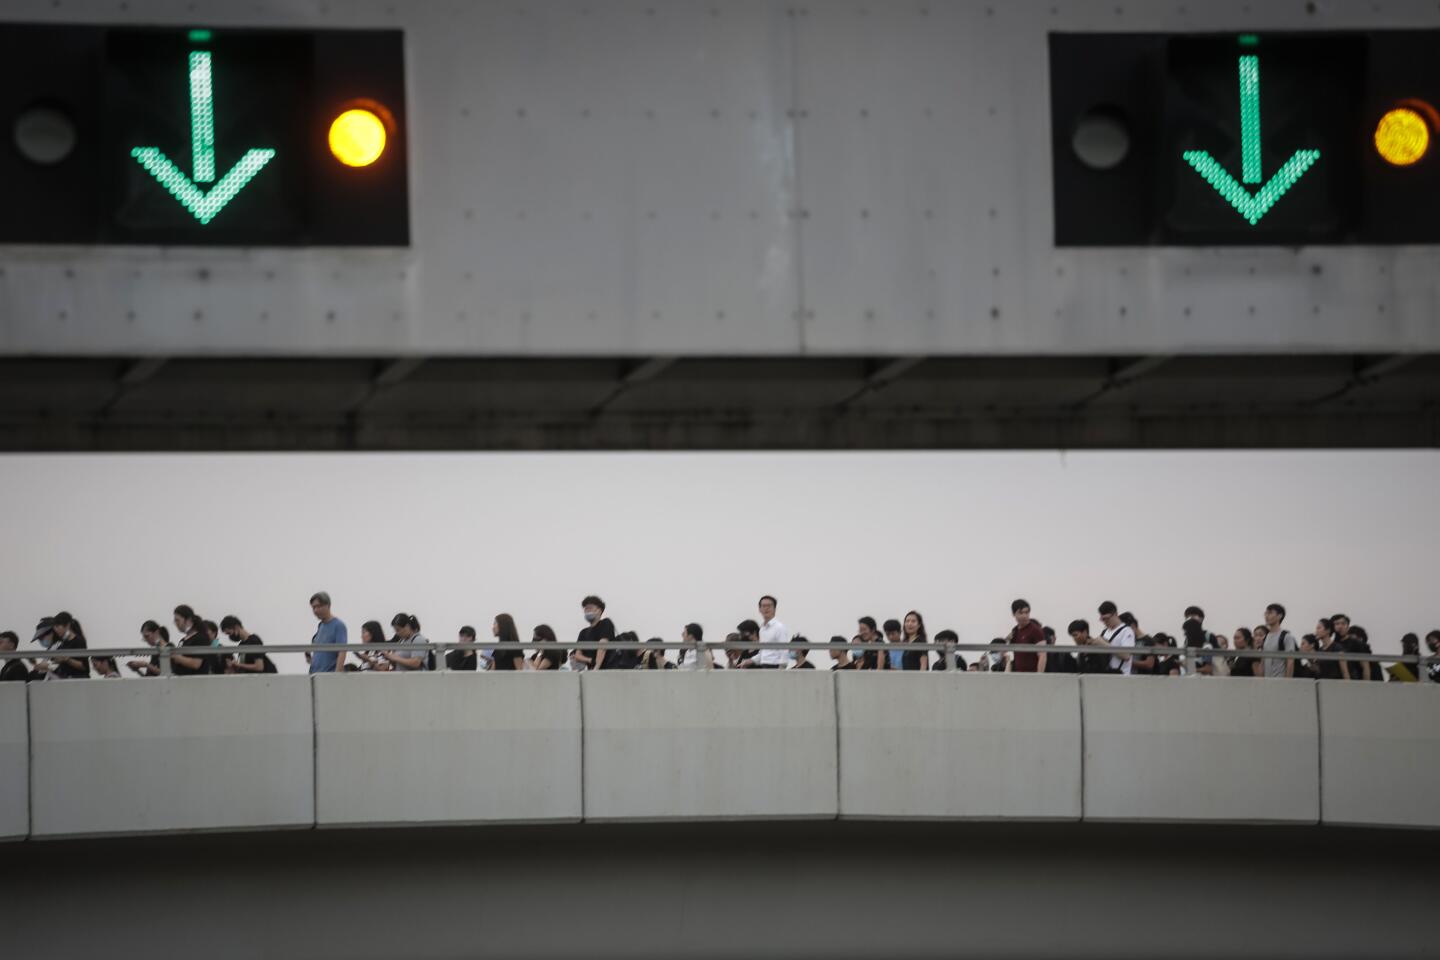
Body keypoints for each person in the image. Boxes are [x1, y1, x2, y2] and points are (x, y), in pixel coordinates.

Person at [33, 612, 91, 679]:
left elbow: (84, 667)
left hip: (77, 681)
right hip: (64, 681)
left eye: (57, 626)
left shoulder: (79, 641)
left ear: (67, 625)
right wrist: (47, 665)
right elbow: (57, 664)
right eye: (54, 627)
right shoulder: (63, 643)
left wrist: (67, 659)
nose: (56, 630)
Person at [571, 595, 615, 671]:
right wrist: (590, 660)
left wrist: (596, 668)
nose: (587, 611)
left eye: (590, 608)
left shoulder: (606, 623)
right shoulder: (583, 632)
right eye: (585, 609)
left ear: (599, 610)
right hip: (590, 670)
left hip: (607, 669)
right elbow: (577, 655)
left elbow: (602, 647)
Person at [308, 591, 348, 673]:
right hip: (316, 675)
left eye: (318, 606)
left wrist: (336, 675)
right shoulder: (320, 626)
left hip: (328, 676)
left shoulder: (338, 625)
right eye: (313, 607)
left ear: (327, 605)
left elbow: (342, 651)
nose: (315, 610)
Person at [1092, 602, 1136, 675]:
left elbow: (1127, 655)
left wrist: (1104, 644)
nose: (1104, 622)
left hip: (1121, 675)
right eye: (1102, 619)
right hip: (1106, 674)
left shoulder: (1126, 631)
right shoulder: (1105, 631)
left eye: (1106, 618)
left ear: (1115, 614)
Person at [1006, 599, 1045, 673]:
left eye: (1027, 612)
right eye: (1020, 613)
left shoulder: (1035, 630)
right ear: (1014, 614)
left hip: (1032, 674)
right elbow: (1007, 650)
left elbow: (1042, 656)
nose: (1024, 616)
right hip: (1018, 674)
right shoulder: (1015, 630)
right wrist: (1007, 640)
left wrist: (1039, 677)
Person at [752, 595, 791, 669]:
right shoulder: (762, 629)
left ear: (774, 609)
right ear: (759, 609)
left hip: (775, 666)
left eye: (769, 606)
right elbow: (763, 652)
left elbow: (784, 650)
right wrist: (750, 661)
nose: (766, 608)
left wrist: (781, 669)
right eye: (763, 606)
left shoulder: (779, 627)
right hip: (764, 665)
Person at [170, 605, 211, 676]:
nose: (176, 624)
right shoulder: (183, 640)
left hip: (195, 682)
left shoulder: (201, 638)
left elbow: (196, 664)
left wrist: (176, 657)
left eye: (178, 620)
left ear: (188, 620)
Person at [1260, 604, 1296, 679]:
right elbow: (1263, 661)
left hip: (1279, 681)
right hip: (1266, 682)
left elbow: (1290, 662)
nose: (1266, 616)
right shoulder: (1265, 637)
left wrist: (1287, 682)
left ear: (1279, 616)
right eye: (1265, 613)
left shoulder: (1286, 636)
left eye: (1270, 613)